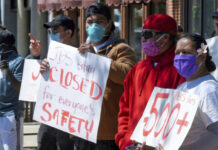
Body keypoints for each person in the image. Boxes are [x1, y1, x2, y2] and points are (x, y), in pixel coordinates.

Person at [53, 2, 136, 150]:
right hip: (82, 129)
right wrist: (47, 70)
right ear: (84, 25)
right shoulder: (78, 52)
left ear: (109, 25)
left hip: (107, 134)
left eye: (99, 22)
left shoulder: (121, 49)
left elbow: (128, 75)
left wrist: (97, 59)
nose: (94, 25)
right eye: (90, 22)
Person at [115, 14, 185, 150]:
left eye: (147, 34)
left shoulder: (180, 71)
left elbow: (181, 115)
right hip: (131, 145)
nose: (142, 39)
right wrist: (123, 140)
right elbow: (124, 108)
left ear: (165, 38)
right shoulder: (137, 69)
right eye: (142, 34)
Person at [30, 14, 75, 150]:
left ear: (68, 33)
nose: (52, 34)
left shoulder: (79, 58)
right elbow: (30, 81)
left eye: (55, 31)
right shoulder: (49, 56)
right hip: (48, 118)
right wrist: (35, 56)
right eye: (50, 32)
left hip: (68, 120)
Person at [174, 33, 218, 150]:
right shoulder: (182, 87)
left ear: (202, 56)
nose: (180, 56)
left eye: (186, 52)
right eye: (177, 53)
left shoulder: (208, 90)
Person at [0, 30, 24, 150]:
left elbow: (20, 88)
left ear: (3, 46)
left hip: (11, 115)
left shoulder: (18, 61)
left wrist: (8, 71)